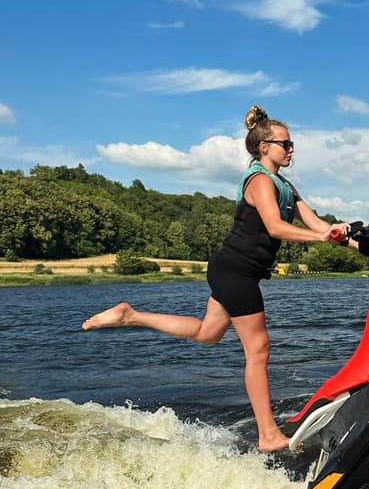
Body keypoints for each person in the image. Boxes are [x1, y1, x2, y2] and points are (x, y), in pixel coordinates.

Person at [82, 105, 348, 452]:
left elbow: (317, 223)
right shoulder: (258, 181)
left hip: (235, 271)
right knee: (259, 348)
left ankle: (130, 315)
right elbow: (274, 226)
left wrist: (352, 238)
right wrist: (321, 238)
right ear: (264, 146)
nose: (292, 149)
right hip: (235, 270)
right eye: (286, 143)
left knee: (209, 333)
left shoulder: (285, 186)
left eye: (292, 143)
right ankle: (268, 435)